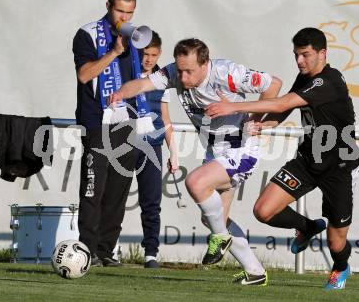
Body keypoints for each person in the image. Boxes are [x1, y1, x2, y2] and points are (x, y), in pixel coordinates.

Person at [108, 38, 282, 285]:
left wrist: (249, 115)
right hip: (214, 150)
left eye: (189, 71)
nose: (183, 76)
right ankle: (254, 272)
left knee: (196, 182)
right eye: (180, 70)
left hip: (240, 147)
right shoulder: (174, 73)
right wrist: (119, 94)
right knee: (212, 217)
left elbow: (273, 84)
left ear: (205, 64)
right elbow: (143, 84)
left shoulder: (226, 72)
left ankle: (221, 238)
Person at [205, 27, 359, 290]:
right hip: (308, 161)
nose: (299, 61)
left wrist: (234, 107)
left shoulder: (328, 80)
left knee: (336, 243)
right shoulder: (306, 77)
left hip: (340, 167)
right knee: (263, 211)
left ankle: (340, 267)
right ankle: (308, 227)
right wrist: (266, 125)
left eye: (305, 55)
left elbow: (281, 103)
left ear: (322, 53)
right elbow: (285, 108)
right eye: (296, 55)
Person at [72, 0, 142, 267]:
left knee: (118, 191)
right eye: (119, 11)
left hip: (126, 122)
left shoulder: (135, 36)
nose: (124, 17)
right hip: (97, 122)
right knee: (93, 189)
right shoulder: (87, 33)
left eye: (129, 12)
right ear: (108, 6)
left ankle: (105, 250)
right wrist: (113, 52)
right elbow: (84, 74)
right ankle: (86, 251)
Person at [137, 31, 178, 268]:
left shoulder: (163, 79)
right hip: (123, 144)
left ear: (159, 54)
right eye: (145, 54)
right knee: (114, 199)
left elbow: (165, 118)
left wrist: (174, 151)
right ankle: (107, 248)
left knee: (151, 201)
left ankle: (150, 253)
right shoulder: (126, 73)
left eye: (153, 54)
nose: (149, 59)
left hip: (152, 146)